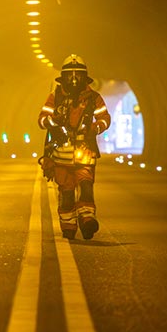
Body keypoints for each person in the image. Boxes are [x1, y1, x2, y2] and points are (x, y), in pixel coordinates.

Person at [38, 54, 111, 240]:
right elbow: (42, 120)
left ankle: (87, 221)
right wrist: (53, 122)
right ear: (62, 77)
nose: (73, 79)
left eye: (77, 75)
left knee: (86, 187)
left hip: (85, 153)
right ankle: (68, 226)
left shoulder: (93, 98)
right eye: (70, 75)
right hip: (61, 155)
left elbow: (104, 118)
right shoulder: (55, 97)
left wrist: (94, 128)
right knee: (67, 193)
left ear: (84, 77)